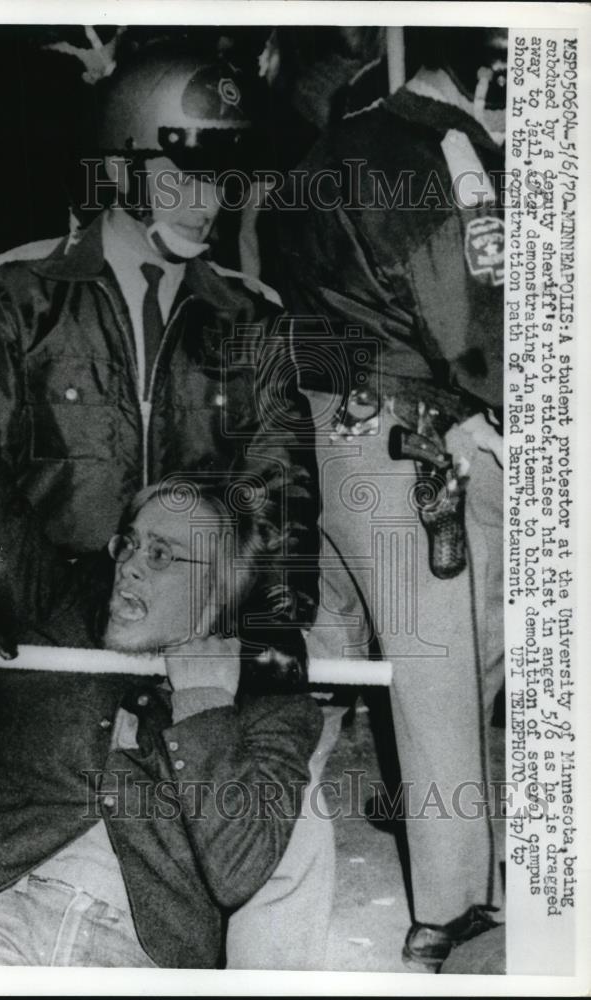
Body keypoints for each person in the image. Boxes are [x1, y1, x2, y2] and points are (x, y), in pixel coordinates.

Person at [0, 202, 332, 969]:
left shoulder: (264, 695)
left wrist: (206, 702)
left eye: (164, 556)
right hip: (0, 914)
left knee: (308, 837)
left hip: (135, 950)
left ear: (220, 584)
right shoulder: (57, 608)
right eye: (130, 544)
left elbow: (241, 867)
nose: (131, 567)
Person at [0, 46, 319, 640]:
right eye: (183, 176)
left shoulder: (252, 316)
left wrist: (277, 622)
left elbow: (278, 490)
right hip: (45, 614)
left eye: (219, 180)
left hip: (188, 618)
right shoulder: (20, 292)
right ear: (117, 170)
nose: (206, 203)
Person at [277, 26, 507, 971]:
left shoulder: (337, 144)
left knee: (339, 661)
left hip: (338, 423)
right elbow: (472, 317)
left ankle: (272, 847)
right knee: (448, 667)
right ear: (487, 74)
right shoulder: (446, 150)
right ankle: (453, 914)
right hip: (422, 430)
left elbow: (309, 304)